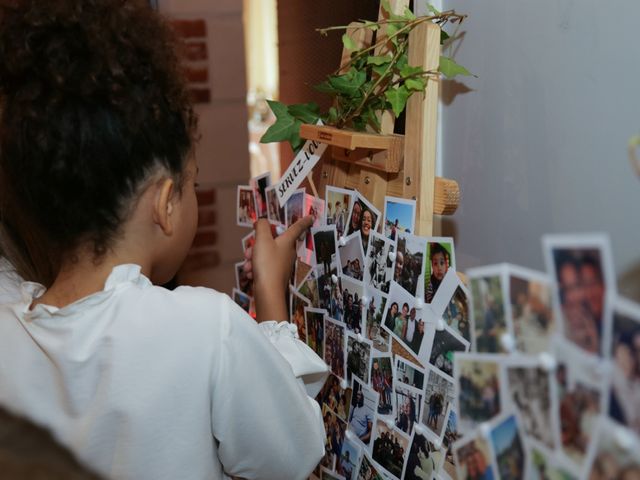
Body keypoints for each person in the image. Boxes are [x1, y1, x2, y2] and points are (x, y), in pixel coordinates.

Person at [0, 2, 326, 479]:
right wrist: (272, 298)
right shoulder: (204, 328)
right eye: (192, 183)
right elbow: (292, 453)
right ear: (165, 204)